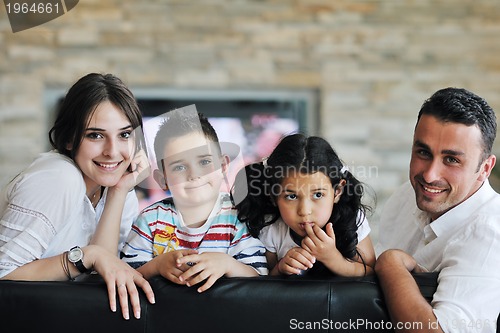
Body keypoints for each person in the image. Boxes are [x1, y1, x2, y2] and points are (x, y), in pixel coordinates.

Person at [0, 73, 155, 321]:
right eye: (95, 135)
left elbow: (100, 280)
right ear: (71, 138)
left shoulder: (121, 189)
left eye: (124, 134)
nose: (112, 152)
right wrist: (87, 256)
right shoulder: (59, 178)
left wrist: (117, 193)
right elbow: (4, 273)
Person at [375, 87, 500, 333]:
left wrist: (390, 265)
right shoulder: (406, 196)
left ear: (485, 168)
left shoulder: (490, 232)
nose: (429, 175)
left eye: (451, 159)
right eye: (423, 152)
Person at [121, 108, 268, 293]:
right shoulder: (150, 221)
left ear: (223, 166)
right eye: (179, 166)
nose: (194, 175)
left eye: (205, 162)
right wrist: (157, 266)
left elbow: (260, 277)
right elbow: (126, 277)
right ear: (162, 180)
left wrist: (228, 264)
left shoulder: (239, 217)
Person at [233, 133, 375, 276]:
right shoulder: (272, 229)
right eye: (292, 196)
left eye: (318, 195)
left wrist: (332, 258)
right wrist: (280, 268)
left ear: (337, 191)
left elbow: (370, 272)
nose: (305, 211)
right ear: (273, 196)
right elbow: (264, 283)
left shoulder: (352, 219)